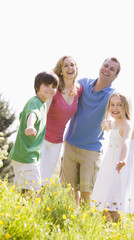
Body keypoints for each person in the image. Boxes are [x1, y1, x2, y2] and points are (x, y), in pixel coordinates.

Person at [60, 57, 121, 205]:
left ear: (116, 76)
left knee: (87, 193)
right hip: (70, 144)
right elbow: (65, 94)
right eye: (105, 66)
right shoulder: (83, 84)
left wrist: (109, 122)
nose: (107, 70)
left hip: (91, 151)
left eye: (112, 69)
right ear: (100, 66)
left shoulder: (112, 95)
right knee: (68, 191)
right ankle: (70, 224)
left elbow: (116, 113)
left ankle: (85, 224)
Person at [91, 92, 134, 222]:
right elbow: (107, 125)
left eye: (119, 105)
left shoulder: (127, 125)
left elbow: (125, 142)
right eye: (112, 105)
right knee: (104, 202)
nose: (115, 108)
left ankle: (119, 229)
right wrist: (105, 125)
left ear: (126, 107)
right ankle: (109, 230)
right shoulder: (115, 123)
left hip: (120, 165)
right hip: (110, 164)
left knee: (112, 202)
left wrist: (123, 159)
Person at [9, 71, 59, 194]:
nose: (50, 89)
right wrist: (30, 125)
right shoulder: (35, 102)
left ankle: (18, 210)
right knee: (33, 190)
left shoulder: (41, 104)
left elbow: (22, 116)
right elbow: (32, 115)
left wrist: (25, 122)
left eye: (53, 86)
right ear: (37, 87)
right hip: (26, 155)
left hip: (25, 154)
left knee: (24, 188)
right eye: (46, 85)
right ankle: (26, 211)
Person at [40, 56, 83, 185]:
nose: (70, 68)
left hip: (57, 140)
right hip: (42, 137)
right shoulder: (54, 88)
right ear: (61, 71)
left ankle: (37, 204)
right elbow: (44, 110)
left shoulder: (79, 90)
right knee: (35, 174)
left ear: (76, 68)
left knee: (46, 178)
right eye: (65, 66)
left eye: (72, 65)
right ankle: (24, 203)